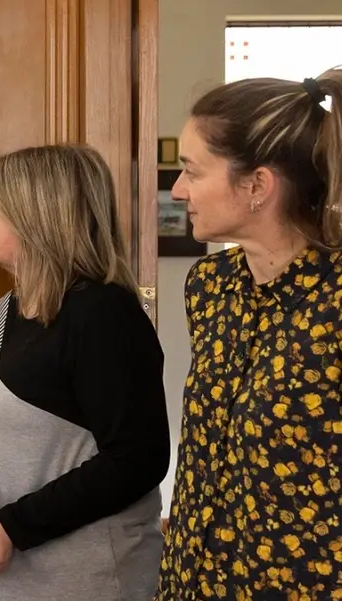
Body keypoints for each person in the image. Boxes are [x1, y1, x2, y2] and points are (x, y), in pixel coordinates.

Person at [0, 144, 170, 600]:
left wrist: (17, 524)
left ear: (37, 220)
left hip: (89, 580)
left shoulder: (105, 315)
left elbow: (137, 459)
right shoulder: (12, 308)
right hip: (14, 578)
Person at [156, 68, 342, 599]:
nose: (177, 189)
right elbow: (204, 455)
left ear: (257, 185)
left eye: (192, 170)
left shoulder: (335, 302)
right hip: (195, 582)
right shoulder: (209, 287)